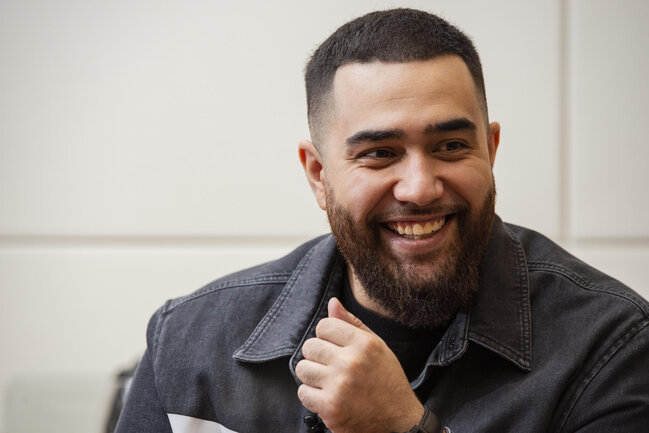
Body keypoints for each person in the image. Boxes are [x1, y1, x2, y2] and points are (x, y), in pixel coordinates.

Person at [115, 8, 649, 433]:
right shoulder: (188, 347)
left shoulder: (609, 347)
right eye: (379, 153)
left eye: (451, 146)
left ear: (490, 150)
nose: (419, 187)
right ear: (319, 174)